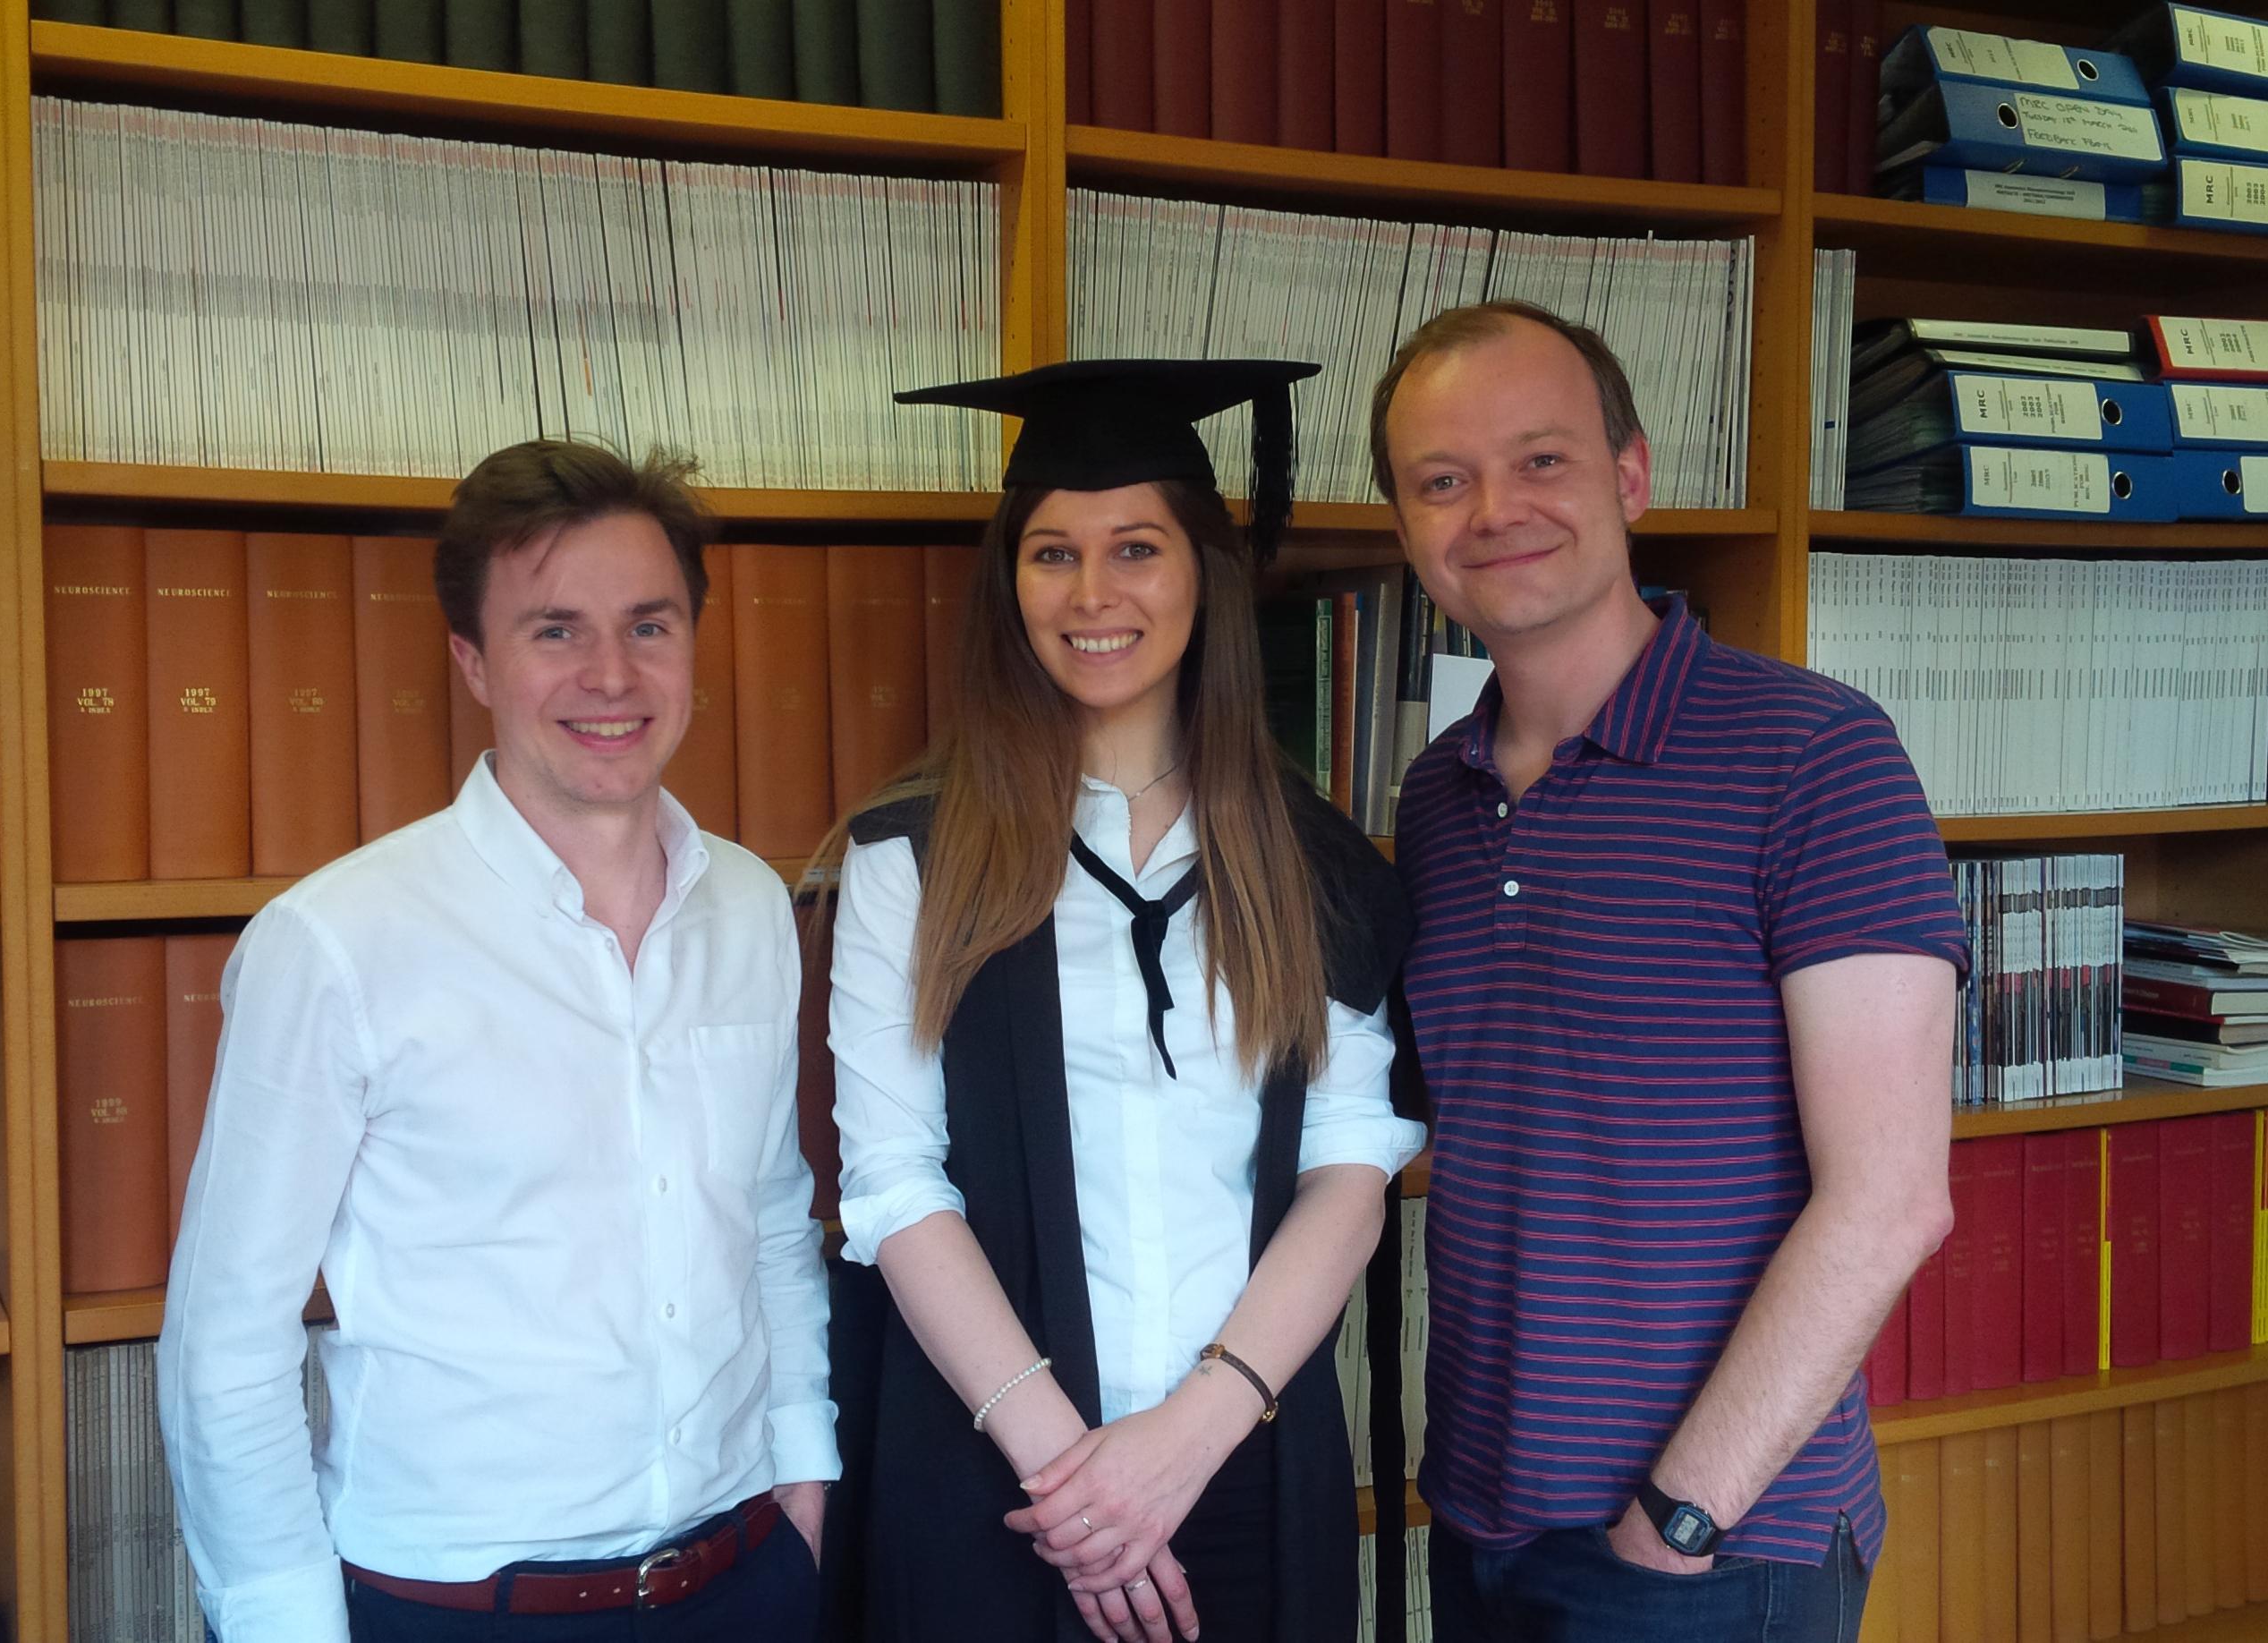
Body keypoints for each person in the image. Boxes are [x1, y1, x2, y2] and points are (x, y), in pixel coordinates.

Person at [157, 441, 837, 1643]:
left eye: (649, 625)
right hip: (458, 1606)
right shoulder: (334, 943)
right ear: (473, 660)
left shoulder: (748, 905)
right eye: (554, 630)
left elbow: (772, 1214)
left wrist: (804, 1467)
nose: (611, 675)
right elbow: (227, 1338)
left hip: (744, 1575)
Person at [1373, 302, 1967, 1641]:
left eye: (1541, 460)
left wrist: (1678, 1521)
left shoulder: (1815, 758)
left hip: (1713, 1546)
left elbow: (1888, 1201)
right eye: (1442, 480)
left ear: (1629, 475)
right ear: (1407, 527)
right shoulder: (1436, 798)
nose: (1495, 511)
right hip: (1477, 1514)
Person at [826, 360, 1425, 1643]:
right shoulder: (912, 858)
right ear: (1011, 584)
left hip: (1244, 1464)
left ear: (1205, 574)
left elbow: (1348, 1166)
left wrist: (1187, 1439)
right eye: (1052, 554)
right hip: (1000, 1486)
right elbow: (893, 1182)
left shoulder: (1312, 862)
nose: (1092, 594)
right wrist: (1078, 1483)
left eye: (1136, 549)